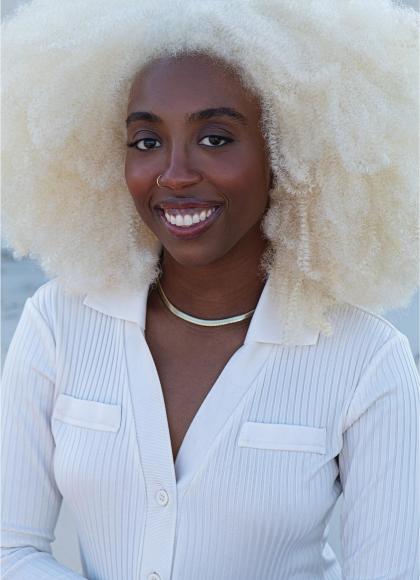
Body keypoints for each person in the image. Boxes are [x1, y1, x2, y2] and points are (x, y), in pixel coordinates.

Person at [1, 1, 419, 579]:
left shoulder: (368, 360)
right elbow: (9, 549)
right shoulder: (56, 323)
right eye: (146, 141)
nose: (174, 173)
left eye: (216, 138)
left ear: (289, 151)